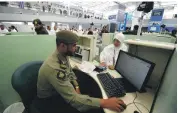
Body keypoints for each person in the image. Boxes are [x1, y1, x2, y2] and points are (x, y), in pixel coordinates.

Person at [33, 30, 126, 113]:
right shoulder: (54, 67)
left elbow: (70, 72)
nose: (76, 48)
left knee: (88, 88)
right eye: (73, 45)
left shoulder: (62, 55)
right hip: (49, 102)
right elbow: (73, 99)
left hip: (58, 92)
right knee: (94, 109)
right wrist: (105, 103)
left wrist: (76, 86)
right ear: (62, 46)